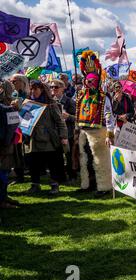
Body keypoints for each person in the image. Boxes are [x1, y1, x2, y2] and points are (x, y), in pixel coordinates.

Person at [76, 50, 115, 195]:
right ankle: (88, 184)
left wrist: (109, 133)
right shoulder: (82, 96)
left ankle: (104, 187)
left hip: (99, 132)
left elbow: (109, 114)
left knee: (100, 161)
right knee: (85, 160)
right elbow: (78, 112)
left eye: (92, 81)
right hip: (84, 132)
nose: (89, 83)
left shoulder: (103, 97)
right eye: (87, 81)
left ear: (97, 81)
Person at [25, 80, 68, 195]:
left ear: (42, 89)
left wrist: (63, 136)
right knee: (34, 164)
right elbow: (26, 120)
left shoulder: (51, 104)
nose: (33, 91)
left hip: (49, 139)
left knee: (52, 164)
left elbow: (60, 122)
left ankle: (54, 185)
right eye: (32, 89)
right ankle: (35, 185)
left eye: (36, 89)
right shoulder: (29, 104)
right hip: (33, 139)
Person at [50, 79, 77, 182]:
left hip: (68, 133)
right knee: (57, 156)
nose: (53, 89)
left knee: (69, 156)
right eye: (51, 87)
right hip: (55, 133)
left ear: (63, 88)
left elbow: (77, 118)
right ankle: (61, 177)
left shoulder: (69, 101)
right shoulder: (50, 101)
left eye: (56, 87)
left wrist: (68, 116)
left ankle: (72, 176)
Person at [0, 80, 21, 208]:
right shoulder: (8, 108)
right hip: (5, 145)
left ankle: (3, 197)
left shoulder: (9, 107)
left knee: (5, 172)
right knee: (2, 173)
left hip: (8, 144)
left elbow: (14, 125)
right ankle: (2, 200)